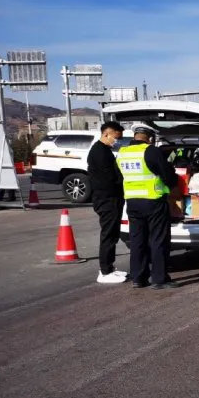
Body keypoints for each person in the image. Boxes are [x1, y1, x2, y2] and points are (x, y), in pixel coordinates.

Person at [117, 126, 178, 290]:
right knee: (158, 240)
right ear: (150, 138)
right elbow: (167, 175)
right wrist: (173, 183)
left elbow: (119, 176)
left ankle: (138, 278)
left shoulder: (122, 153)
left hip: (132, 201)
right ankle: (159, 279)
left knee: (137, 240)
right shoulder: (151, 151)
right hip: (153, 200)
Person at [88, 121, 127, 283]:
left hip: (111, 198)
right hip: (106, 199)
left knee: (113, 234)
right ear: (106, 134)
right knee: (108, 235)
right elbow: (109, 178)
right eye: (116, 138)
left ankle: (109, 267)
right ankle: (104, 272)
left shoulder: (104, 150)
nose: (116, 141)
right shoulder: (99, 152)